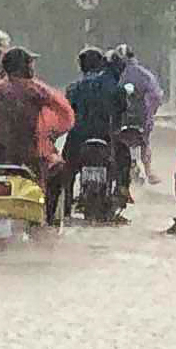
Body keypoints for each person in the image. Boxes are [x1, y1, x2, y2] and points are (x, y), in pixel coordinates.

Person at [0, 48, 75, 201]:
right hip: (30, 157)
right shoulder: (37, 90)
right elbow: (66, 115)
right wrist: (50, 134)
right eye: (30, 64)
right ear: (24, 67)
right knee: (58, 172)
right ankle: (49, 219)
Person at [61, 47, 132, 222]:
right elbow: (123, 110)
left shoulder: (73, 88)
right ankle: (123, 189)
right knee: (124, 156)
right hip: (108, 137)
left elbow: (67, 113)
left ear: (81, 66)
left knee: (65, 170)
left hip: (78, 139)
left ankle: (65, 205)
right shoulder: (116, 87)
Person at [113, 44, 166, 184]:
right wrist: (150, 112)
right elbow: (156, 96)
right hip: (141, 119)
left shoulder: (112, 74)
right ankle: (149, 172)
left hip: (120, 119)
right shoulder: (145, 75)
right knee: (145, 142)